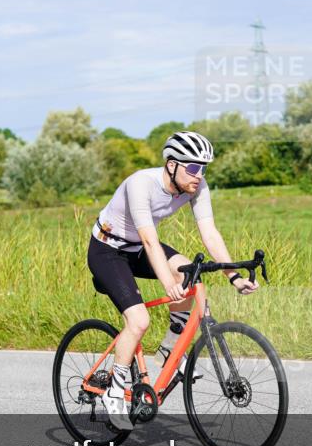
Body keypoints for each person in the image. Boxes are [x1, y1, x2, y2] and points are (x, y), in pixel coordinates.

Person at [87, 130, 258, 430]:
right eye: (192, 168)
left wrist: (234, 277)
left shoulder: (196, 187)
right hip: (108, 249)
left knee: (190, 277)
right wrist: (168, 281)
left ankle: (168, 351)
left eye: (203, 168)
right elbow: (150, 240)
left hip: (137, 248)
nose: (199, 175)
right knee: (139, 321)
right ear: (171, 165)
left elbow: (210, 233)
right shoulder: (140, 183)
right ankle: (114, 391)